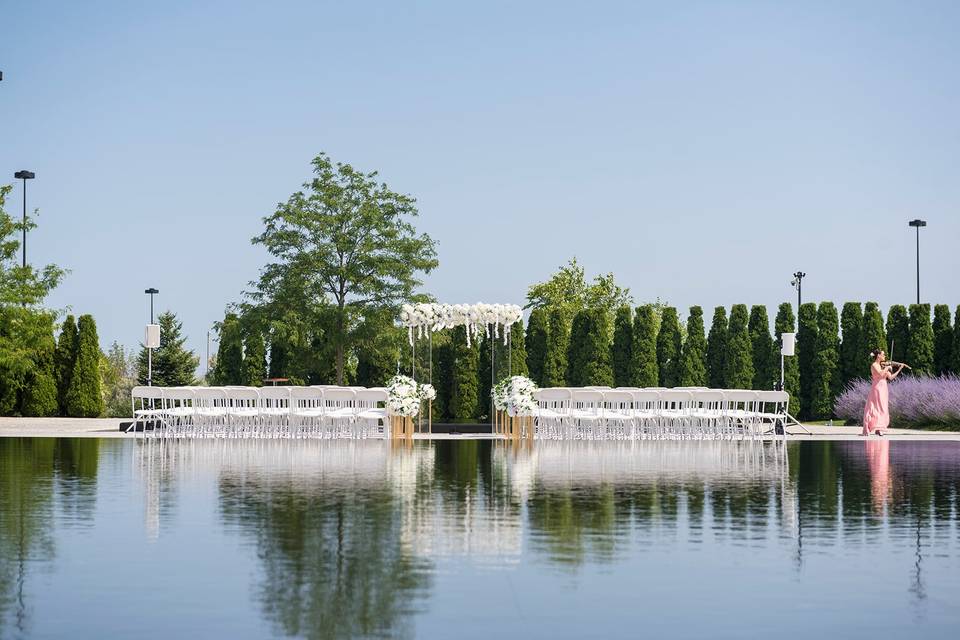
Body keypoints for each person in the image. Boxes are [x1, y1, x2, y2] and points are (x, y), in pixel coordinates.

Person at [862, 349, 905, 436]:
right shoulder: (874, 365)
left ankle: (879, 428)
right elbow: (881, 374)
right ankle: (870, 427)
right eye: (883, 355)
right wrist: (887, 367)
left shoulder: (883, 366)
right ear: (878, 356)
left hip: (884, 389)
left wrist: (899, 369)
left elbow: (891, 377)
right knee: (875, 407)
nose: (885, 356)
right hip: (877, 388)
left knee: (883, 408)